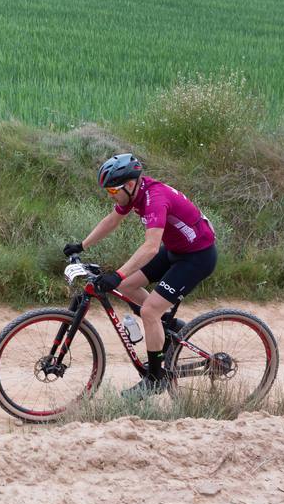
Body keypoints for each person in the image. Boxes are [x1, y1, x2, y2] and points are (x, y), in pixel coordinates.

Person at [63, 153, 217, 397]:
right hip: (177, 250)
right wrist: (82, 245)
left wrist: (118, 274)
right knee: (127, 288)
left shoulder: (154, 198)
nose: (111, 195)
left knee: (148, 311)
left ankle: (155, 379)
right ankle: (168, 329)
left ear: (130, 184)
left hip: (198, 257)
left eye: (113, 191)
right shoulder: (136, 192)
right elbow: (112, 220)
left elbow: (150, 247)